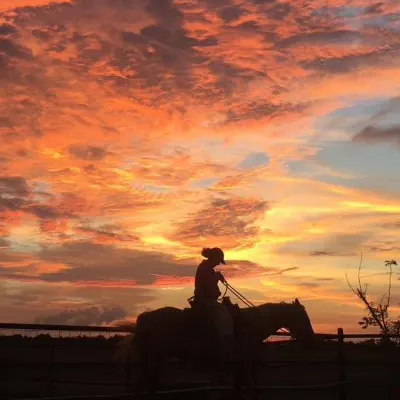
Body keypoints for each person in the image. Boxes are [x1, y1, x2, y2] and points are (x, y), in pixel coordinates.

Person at [193, 247, 234, 362]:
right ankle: (223, 344)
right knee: (223, 315)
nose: (219, 264)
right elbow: (208, 285)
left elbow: (216, 272)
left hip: (209, 299)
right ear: (214, 258)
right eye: (218, 261)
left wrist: (220, 276)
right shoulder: (206, 267)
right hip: (205, 301)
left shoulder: (209, 266)